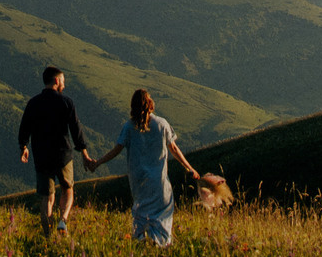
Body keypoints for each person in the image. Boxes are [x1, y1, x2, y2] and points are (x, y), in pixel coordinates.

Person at [88, 87, 201, 247]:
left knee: (142, 214)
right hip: (159, 182)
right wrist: (190, 168)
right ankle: (160, 245)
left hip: (138, 181)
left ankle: (142, 243)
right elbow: (174, 149)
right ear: (150, 104)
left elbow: (116, 150)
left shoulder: (129, 127)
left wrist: (98, 162)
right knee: (162, 214)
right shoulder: (162, 124)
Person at [17, 65, 93, 235]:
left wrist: (23, 146)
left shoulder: (33, 103)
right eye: (63, 82)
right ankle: (63, 220)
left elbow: (24, 128)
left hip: (42, 156)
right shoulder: (66, 102)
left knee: (47, 197)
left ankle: (47, 236)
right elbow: (76, 130)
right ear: (57, 81)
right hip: (63, 155)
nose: (64, 86)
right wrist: (84, 154)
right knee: (67, 189)